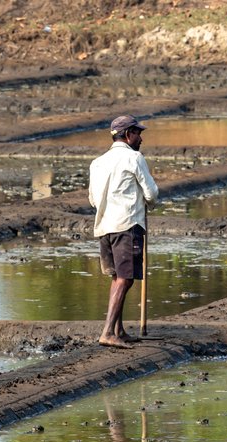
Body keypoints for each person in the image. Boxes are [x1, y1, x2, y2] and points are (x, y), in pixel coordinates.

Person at [88, 114, 159, 349]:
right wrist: (147, 201)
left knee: (117, 277)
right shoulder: (134, 158)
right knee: (125, 279)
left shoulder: (97, 162)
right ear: (128, 135)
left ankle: (118, 330)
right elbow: (151, 193)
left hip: (104, 226)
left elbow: (92, 199)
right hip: (127, 225)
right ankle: (108, 332)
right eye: (138, 133)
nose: (141, 139)